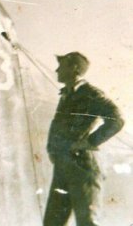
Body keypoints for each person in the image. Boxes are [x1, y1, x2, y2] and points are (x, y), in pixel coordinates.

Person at [43, 52, 124, 226]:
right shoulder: (67, 94)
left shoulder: (91, 94)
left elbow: (117, 119)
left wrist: (90, 142)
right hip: (63, 166)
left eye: (61, 65)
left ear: (74, 69)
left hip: (83, 168)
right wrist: (53, 149)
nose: (57, 70)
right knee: (52, 223)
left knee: (87, 222)